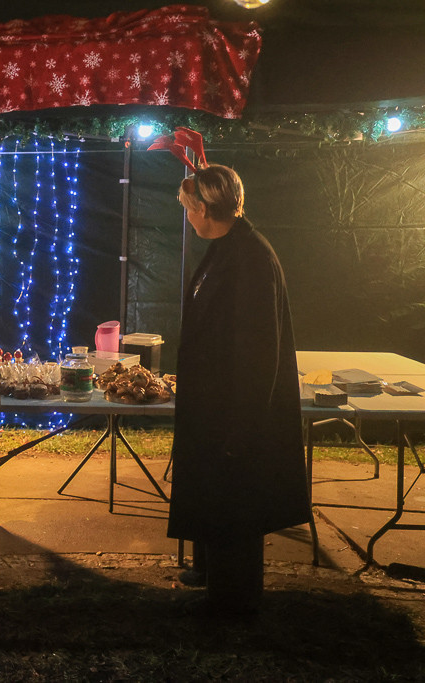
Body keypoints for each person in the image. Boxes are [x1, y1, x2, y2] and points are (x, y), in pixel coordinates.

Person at [168, 164, 310, 616]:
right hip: (215, 407)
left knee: (237, 508)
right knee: (217, 499)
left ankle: (234, 602)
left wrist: (242, 426)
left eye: (191, 209)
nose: (188, 218)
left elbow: (258, 351)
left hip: (235, 413)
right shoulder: (228, 246)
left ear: (208, 209)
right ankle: (213, 576)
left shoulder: (250, 258)